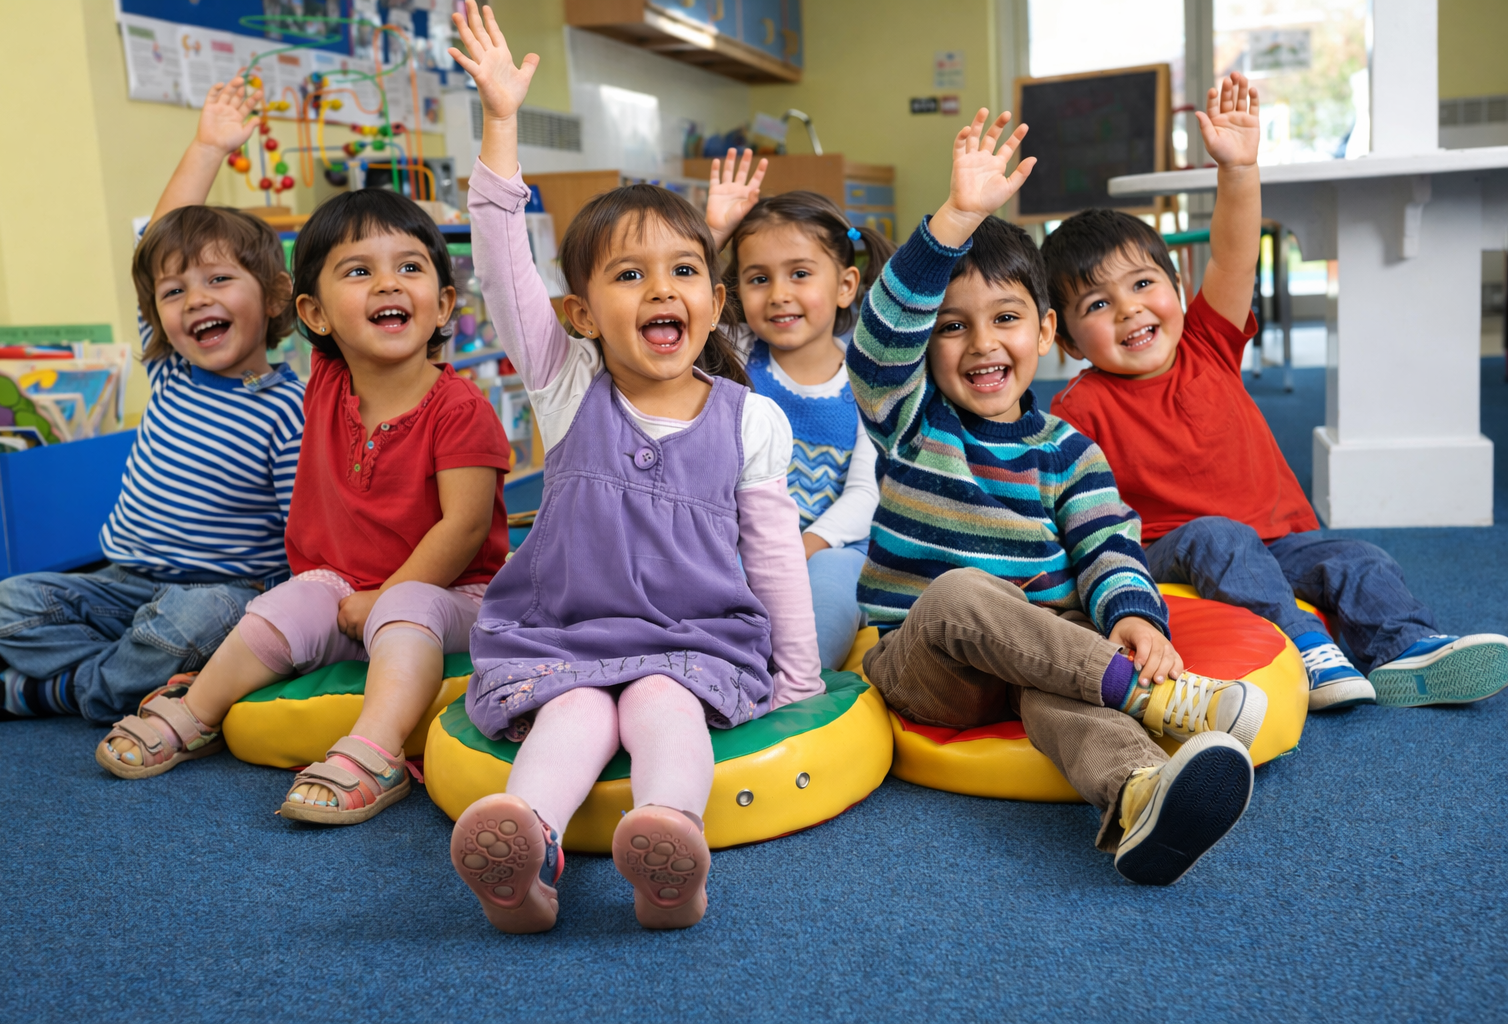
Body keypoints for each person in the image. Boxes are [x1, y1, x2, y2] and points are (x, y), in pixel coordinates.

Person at [447, 1, 823, 933]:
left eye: (684, 272)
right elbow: (501, 264)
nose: (661, 289)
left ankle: (667, 849)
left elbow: (773, 554)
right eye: (628, 276)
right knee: (573, 713)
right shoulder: (565, 386)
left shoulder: (750, 419)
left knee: (664, 704)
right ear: (580, 315)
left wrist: (801, 679)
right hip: (565, 637)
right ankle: (523, 850)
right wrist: (501, 123)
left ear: (715, 301)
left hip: (693, 639)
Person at [849, 107, 1265, 886]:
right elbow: (877, 349)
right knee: (960, 592)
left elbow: (1106, 543)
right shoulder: (908, 422)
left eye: (1005, 320)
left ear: (1044, 334)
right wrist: (956, 221)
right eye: (951, 328)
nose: (981, 345)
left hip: (1045, 657)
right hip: (929, 659)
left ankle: (1139, 797)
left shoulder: (1068, 450)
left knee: (1059, 698)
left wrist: (1135, 617)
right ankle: (1141, 695)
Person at [1045, 73, 1508, 711]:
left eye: (1143, 284)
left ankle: (1407, 649)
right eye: (1099, 303)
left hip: (1280, 538)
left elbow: (1234, 258)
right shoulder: (1079, 408)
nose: (1129, 310)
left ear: (1175, 288)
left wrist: (1239, 168)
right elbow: (1066, 503)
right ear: (1067, 340)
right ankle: (1304, 650)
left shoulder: (1208, 341)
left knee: (1358, 556)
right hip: (1178, 550)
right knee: (1219, 536)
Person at [94, 185, 513, 828]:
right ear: (313, 314)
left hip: (456, 595)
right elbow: (164, 244)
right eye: (358, 271)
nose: (386, 285)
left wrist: (388, 593)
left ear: (443, 305)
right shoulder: (323, 382)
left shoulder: (462, 410)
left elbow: (463, 527)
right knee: (283, 601)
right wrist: (211, 148)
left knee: (403, 607)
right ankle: (196, 711)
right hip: (342, 590)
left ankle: (374, 752)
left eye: (409, 267)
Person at [0, 78, 305, 724]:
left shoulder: (288, 407)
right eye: (174, 292)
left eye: (218, 280)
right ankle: (133, 678)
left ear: (272, 297)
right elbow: (156, 242)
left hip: (218, 593)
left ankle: (39, 693)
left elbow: (300, 532)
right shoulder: (172, 367)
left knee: (193, 623)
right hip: (120, 581)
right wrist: (208, 145)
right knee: (3, 605)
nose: (195, 299)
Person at [702, 155, 894, 670]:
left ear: (846, 286)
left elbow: (864, 492)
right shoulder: (734, 356)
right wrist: (714, 232)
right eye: (758, 279)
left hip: (833, 543)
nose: (780, 294)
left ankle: (799, 678)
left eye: (800, 274)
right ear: (735, 290)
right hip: (741, 538)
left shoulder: (869, 377)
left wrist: (802, 546)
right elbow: (683, 297)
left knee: (833, 583)